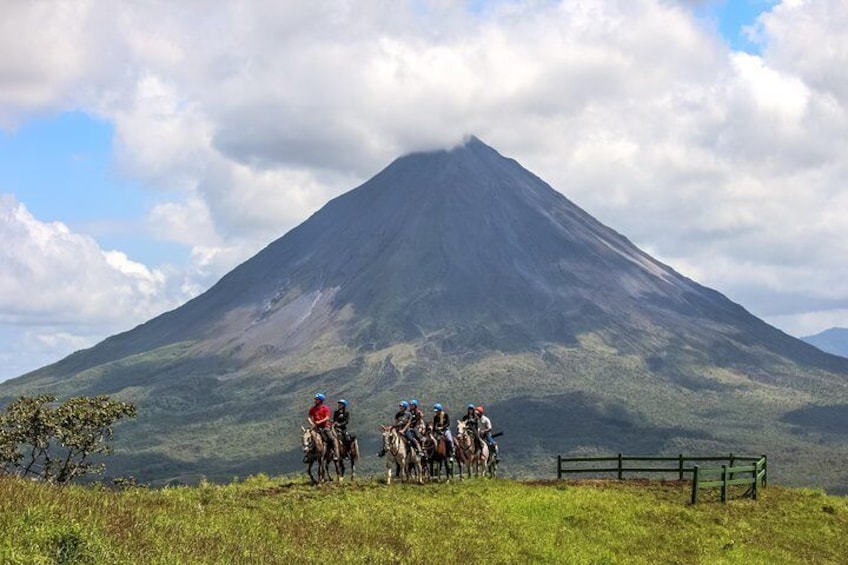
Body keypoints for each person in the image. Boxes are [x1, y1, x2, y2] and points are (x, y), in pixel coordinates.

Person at [308, 393, 338, 461]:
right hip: (316, 427)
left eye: (316, 399)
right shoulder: (313, 409)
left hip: (325, 427)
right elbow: (309, 417)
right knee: (308, 437)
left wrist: (320, 421)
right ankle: (308, 454)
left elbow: (327, 417)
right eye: (315, 399)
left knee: (331, 439)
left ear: (320, 400)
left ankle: (335, 453)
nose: (315, 401)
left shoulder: (325, 408)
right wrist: (312, 423)